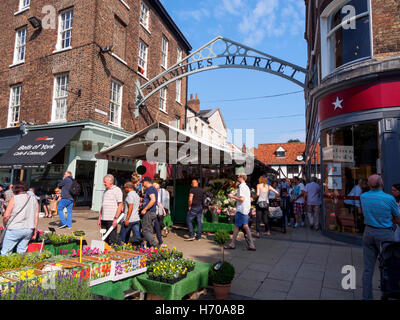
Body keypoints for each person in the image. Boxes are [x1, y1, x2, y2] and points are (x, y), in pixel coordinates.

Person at [360, 174, 400, 300]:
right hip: (385, 233)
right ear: (381, 184)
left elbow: (363, 212)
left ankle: (366, 297)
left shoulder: (364, 196)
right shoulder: (389, 198)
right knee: (388, 266)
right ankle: (386, 294)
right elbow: (398, 218)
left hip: (368, 231)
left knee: (368, 268)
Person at [1, 181, 39, 256]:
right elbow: (36, 215)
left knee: (5, 253)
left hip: (14, 228)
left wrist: (5, 224)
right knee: (21, 252)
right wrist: (35, 229)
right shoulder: (34, 198)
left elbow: (6, 215)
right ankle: (20, 267)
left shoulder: (14, 198)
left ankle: (5, 267)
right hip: (28, 228)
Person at [224, 174, 256, 251]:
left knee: (240, 227)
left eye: (238, 176)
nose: (237, 177)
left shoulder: (241, 187)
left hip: (241, 209)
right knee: (243, 226)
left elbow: (241, 199)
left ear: (241, 178)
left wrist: (232, 197)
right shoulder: (246, 186)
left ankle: (234, 244)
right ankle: (250, 244)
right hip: (245, 209)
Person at [98, 174, 123, 245]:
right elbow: (102, 206)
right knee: (104, 238)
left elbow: (120, 205)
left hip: (111, 219)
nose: (104, 183)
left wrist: (116, 218)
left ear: (111, 181)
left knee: (112, 239)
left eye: (105, 182)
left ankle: (114, 253)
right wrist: (99, 218)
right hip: (104, 218)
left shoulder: (117, 190)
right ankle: (105, 254)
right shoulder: (105, 191)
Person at [140, 177, 159, 248]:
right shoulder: (154, 189)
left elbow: (153, 200)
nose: (142, 184)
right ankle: (151, 248)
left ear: (146, 182)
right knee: (149, 231)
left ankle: (155, 245)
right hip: (153, 212)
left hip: (149, 212)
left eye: (143, 182)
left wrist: (145, 209)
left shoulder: (150, 189)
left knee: (145, 231)